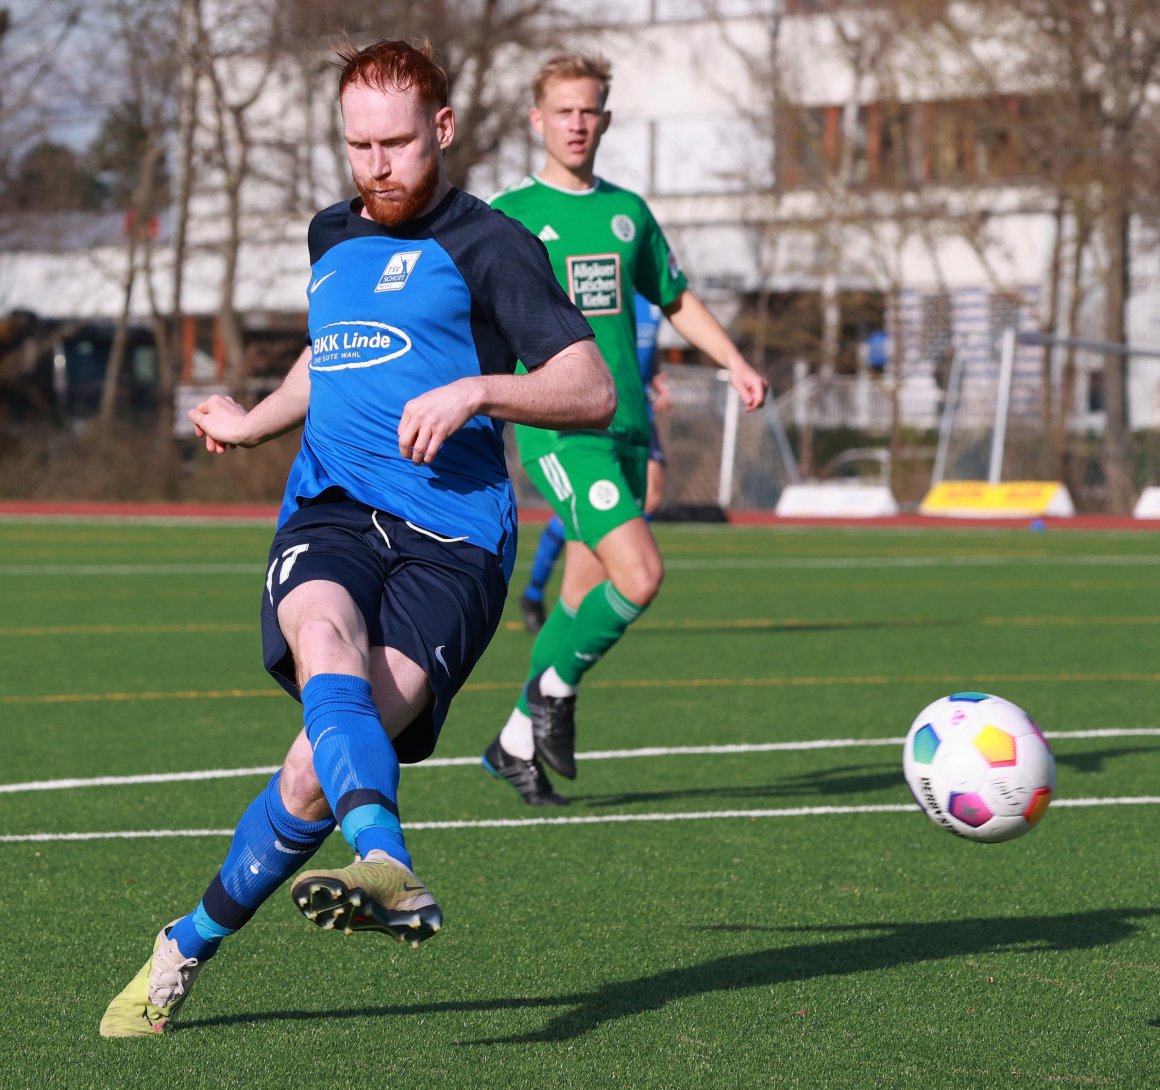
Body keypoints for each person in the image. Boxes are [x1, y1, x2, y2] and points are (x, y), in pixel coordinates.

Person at [99, 37, 614, 1038]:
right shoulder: (330, 232)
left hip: (454, 542)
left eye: (395, 144)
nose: (375, 166)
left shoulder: (492, 244)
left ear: (444, 130)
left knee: (310, 770)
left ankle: (183, 945)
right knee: (321, 638)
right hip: (331, 508)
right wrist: (253, 419)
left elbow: (588, 388)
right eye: (357, 145)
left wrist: (479, 386)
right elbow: (329, 355)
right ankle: (385, 857)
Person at [481, 53, 768, 806]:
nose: (577, 123)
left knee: (581, 597)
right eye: (564, 110)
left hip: (627, 430)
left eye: (590, 110)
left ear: (605, 120)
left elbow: (675, 299)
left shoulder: (628, 214)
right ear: (536, 120)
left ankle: (513, 742)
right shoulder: (507, 217)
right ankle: (553, 692)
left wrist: (734, 360)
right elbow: (472, 320)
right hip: (558, 431)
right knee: (642, 575)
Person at [519, 291, 670, 634]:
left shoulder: (647, 298)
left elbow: (636, 342)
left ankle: (606, 536)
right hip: (597, 412)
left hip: (637, 408)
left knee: (653, 492)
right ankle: (536, 591)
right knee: (587, 519)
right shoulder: (591, 286)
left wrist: (658, 378)